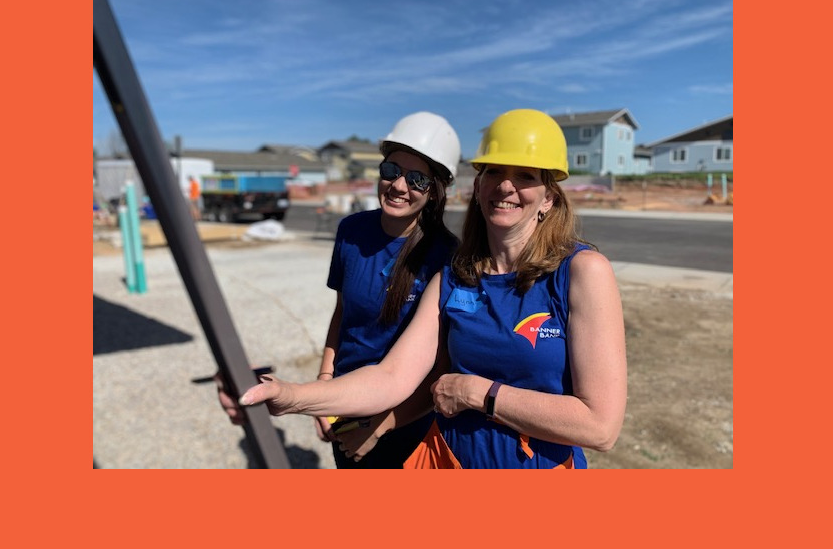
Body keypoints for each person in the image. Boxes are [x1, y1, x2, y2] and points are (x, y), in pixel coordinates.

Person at [239, 109, 627, 469]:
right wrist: (294, 396)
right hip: (449, 464)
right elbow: (391, 377)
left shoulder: (581, 272)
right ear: (479, 185)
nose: (506, 186)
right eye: (494, 172)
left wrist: (479, 394)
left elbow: (600, 427)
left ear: (549, 198)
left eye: (525, 176)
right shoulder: (454, 276)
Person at [219, 111, 462, 468]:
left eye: (417, 179)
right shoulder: (351, 232)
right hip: (345, 407)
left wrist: (381, 426)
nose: (398, 186)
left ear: (436, 190)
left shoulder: (447, 255)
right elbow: (342, 315)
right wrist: (324, 387)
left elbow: (441, 366)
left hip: (408, 423)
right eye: (391, 170)